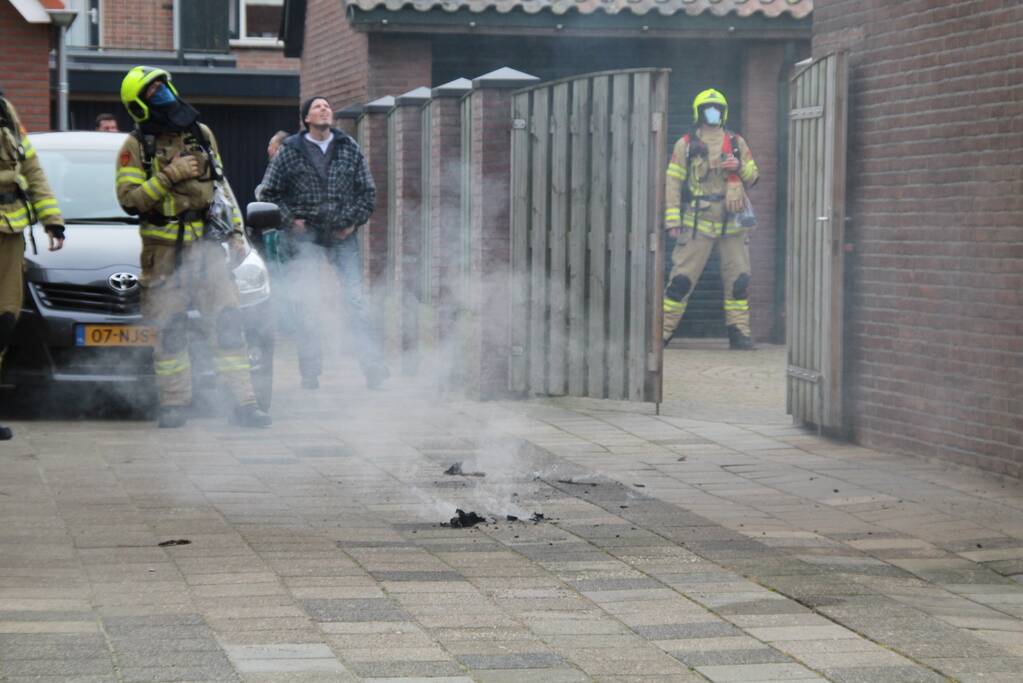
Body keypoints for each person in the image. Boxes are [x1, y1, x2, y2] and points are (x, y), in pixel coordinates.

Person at [115, 66, 271, 428]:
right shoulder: (136, 147)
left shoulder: (201, 135)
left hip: (206, 250)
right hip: (164, 253)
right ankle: (173, 404)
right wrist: (171, 175)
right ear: (139, 104)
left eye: (163, 86)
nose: (164, 93)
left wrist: (234, 234)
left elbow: (221, 190)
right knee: (170, 331)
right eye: (153, 91)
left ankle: (245, 404)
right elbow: (130, 200)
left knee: (229, 324)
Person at [258, 96, 387, 390]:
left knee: (355, 301)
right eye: (317, 106)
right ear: (306, 119)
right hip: (305, 239)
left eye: (327, 106)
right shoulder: (290, 152)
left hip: (343, 234)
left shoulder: (348, 148)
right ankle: (310, 371)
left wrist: (352, 222)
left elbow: (367, 192)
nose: (324, 109)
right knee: (308, 304)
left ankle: (373, 368)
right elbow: (268, 193)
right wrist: (291, 220)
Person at [663, 88, 759, 350]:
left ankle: (739, 333)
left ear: (724, 113)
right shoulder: (685, 145)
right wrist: (672, 220)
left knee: (738, 282)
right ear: (699, 112)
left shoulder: (737, 142)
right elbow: (673, 183)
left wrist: (738, 167)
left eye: (717, 109)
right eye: (708, 109)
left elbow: (753, 176)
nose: (713, 113)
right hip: (698, 222)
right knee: (681, 281)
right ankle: (661, 332)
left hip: (733, 222)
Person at [0, 88, 66, 440]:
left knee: (4, 320)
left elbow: (32, 168)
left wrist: (51, 219)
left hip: (9, 231)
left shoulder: (5, 111)